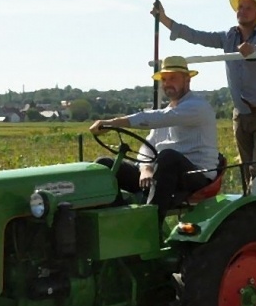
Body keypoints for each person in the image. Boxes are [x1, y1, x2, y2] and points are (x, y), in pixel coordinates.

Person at [154, 0, 256, 189]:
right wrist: (165, 20)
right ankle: (250, 200)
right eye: (240, 7)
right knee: (245, 165)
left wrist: (254, 49)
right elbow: (197, 36)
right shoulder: (229, 36)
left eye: (248, 8)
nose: (242, 11)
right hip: (241, 112)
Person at [90, 57, 219, 211]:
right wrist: (146, 168)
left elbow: (157, 118)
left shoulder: (197, 107)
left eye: (173, 78)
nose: (167, 83)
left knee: (168, 156)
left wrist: (113, 123)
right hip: (162, 173)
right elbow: (148, 146)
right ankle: (117, 215)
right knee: (104, 165)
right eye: (164, 79)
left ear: (187, 79)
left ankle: (152, 219)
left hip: (196, 174)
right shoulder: (166, 112)